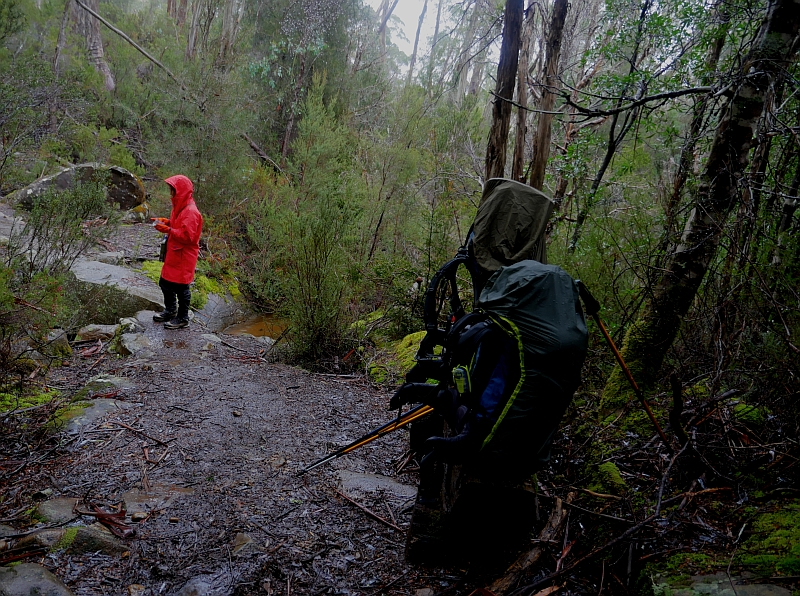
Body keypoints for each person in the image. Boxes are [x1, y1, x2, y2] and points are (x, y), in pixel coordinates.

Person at [150, 175, 203, 329]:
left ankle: (183, 318)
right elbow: (179, 225)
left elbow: (188, 237)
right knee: (165, 283)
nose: (171, 193)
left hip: (184, 255)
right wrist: (166, 222)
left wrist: (169, 230)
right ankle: (171, 310)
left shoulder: (191, 211)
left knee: (182, 288)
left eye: (173, 190)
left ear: (180, 191)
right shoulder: (180, 206)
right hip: (174, 252)